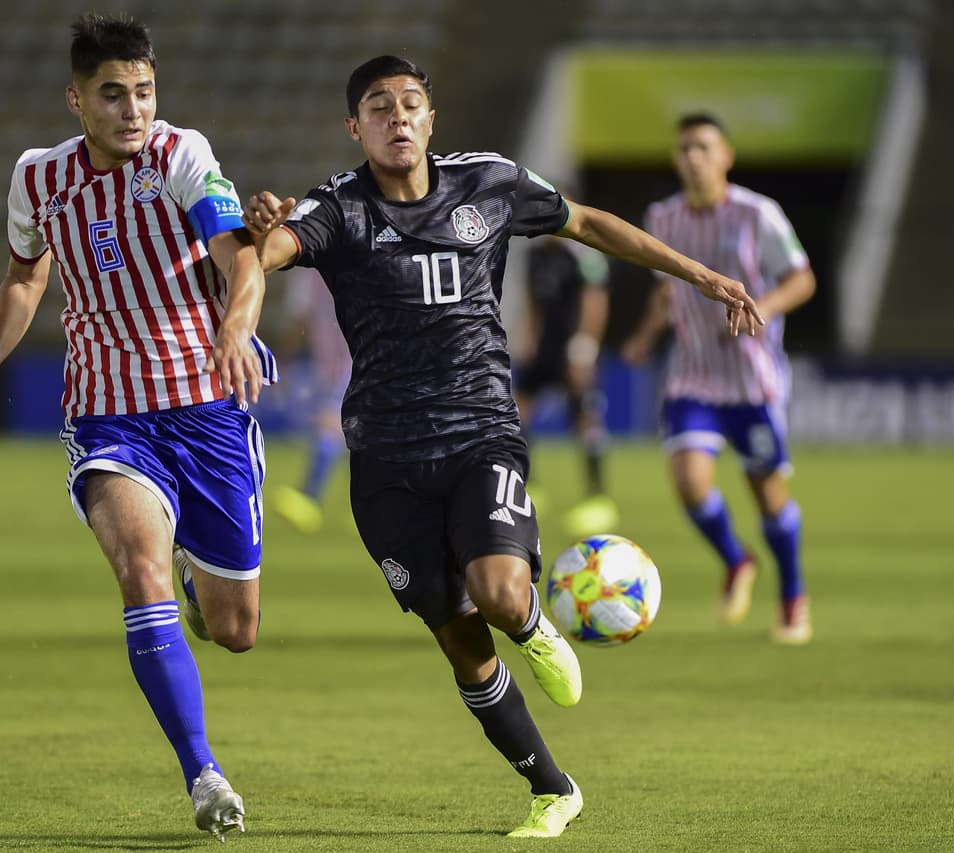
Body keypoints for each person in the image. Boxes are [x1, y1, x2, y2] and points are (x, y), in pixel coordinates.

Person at [241, 56, 762, 838]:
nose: (397, 117)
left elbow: (586, 222)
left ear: (431, 117)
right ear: (356, 127)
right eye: (378, 108)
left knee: (500, 593)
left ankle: (535, 625)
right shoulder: (339, 208)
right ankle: (553, 789)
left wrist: (700, 274)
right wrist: (250, 270)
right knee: (459, 641)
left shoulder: (488, 180)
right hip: (383, 458)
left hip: (480, 428)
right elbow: (267, 249)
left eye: (410, 103)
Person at [0, 14, 277, 839]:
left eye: (144, 92)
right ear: (76, 99)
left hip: (207, 407)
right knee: (139, 566)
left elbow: (238, 254)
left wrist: (235, 328)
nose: (133, 109)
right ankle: (203, 771)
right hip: (108, 412)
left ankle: (204, 590)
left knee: (237, 630)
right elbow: (26, 275)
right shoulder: (39, 178)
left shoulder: (182, 156)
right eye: (112, 94)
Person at [622, 112, 817, 645]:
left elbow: (802, 279)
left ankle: (792, 599)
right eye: (685, 148)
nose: (693, 157)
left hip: (752, 382)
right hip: (693, 378)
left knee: (767, 495)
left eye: (704, 147)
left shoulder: (759, 214)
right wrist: (644, 335)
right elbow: (666, 289)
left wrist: (766, 309)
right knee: (688, 482)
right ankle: (736, 560)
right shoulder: (662, 217)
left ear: (726, 155)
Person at [513, 235, 617, 538]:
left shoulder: (584, 257)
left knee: (585, 419)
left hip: (573, 351)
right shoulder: (534, 255)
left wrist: (584, 348)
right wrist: (528, 338)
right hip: (543, 349)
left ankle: (598, 498)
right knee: (517, 412)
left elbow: (596, 303)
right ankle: (529, 486)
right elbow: (533, 301)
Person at [268, 266, 351, 533]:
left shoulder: (309, 269)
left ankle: (309, 496)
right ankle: (374, 501)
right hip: (329, 365)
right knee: (345, 428)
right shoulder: (307, 270)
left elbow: (298, 319)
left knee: (330, 423)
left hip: (357, 362)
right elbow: (299, 319)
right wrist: (286, 362)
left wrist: (286, 360)